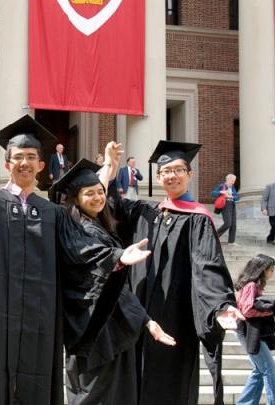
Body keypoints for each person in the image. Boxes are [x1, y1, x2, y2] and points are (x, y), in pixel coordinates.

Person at [0, 115, 152, 405]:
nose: (25, 163)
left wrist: (116, 256)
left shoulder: (53, 213)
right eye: (18, 157)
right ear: (7, 165)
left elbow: (80, 249)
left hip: (40, 318)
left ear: (41, 166)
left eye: (32, 157)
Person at [110, 140, 244, 405]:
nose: (172, 175)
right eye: (166, 171)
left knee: (168, 387)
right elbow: (109, 204)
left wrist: (221, 305)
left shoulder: (198, 219)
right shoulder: (146, 213)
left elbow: (208, 266)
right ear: (158, 177)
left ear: (189, 174)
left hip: (174, 321)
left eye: (178, 170)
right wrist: (111, 169)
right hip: (141, 320)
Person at [49, 156, 175, 405]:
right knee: (97, 396)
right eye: (89, 193)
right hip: (94, 332)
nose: (98, 198)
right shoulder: (77, 230)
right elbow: (94, 265)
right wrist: (118, 257)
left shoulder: (98, 225)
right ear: (75, 198)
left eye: (100, 192)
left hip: (113, 329)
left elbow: (116, 288)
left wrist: (145, 320)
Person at [234, 254, 275, 405]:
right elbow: (247, 309)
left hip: (250, 332)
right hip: (248, 332)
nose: (272, 272)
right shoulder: (251, 285)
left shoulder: (252, 285)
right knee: (271, 370)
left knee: (259, 370)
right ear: (262, 270)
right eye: (271, 269)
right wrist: (270, 310)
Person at [211, 174, 240, 245]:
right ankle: (214, 236)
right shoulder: (222, 186)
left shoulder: (232, 188)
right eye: (232, 181)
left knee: (233, 224)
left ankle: (231, 241)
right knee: (228, 223)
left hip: (232, 205)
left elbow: (237, 197)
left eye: (234, 181)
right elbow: (213, 193)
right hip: (225, 205)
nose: (233, 182)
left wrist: (231, 196)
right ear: (227, 179)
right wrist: (221, 192)